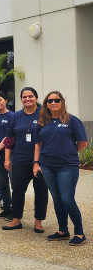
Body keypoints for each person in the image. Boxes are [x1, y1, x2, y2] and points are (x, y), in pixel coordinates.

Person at [34, 91, 88, 245]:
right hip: (47, 165)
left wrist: (68, 152)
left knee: (67, 199)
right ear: (46, 104)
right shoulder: (42, 122)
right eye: (50, 100)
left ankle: (80, 233)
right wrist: (36, 163)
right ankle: (63, 230)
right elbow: (38, 144)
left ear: (62, 102)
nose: (53, 103)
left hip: (67, 166)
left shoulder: (72, 120)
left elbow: (83, 143)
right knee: (57, 199)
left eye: (57, 100)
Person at [3, 87, 48, 232]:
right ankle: (16, 220)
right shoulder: (15, 116)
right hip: (20, 159)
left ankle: (38, 222)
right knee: (17, 190)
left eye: (30, 96)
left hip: (40, 161)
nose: (27, 99)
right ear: (21, 99)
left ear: (36, 98)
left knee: (40, 191)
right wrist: (7, 159)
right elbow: (9, 138)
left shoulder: (44, 114)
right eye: (24, 97)